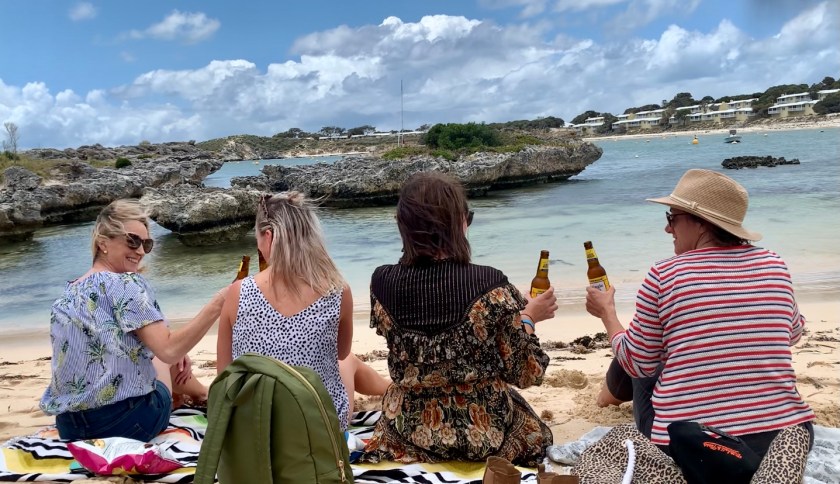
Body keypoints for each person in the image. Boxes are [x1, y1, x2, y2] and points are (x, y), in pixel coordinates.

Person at [586, 169, 815, 460]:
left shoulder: (663, 274)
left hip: (695, 450)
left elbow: (637, 365)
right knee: (658, 342)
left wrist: (607, 314)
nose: (668, 229)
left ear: (702, 225)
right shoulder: (775, 264)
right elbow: (793, 334)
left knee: (641, 350)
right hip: (785, 443)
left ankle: (605, 399)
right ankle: (608, 395)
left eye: (672, 218)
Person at [362, 172, 558, 466]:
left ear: (402, 226)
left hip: (407, 430)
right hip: (484, 433)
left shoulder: (382, 282)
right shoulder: (489, 283)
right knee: (534, 437)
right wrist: (528, 317)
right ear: (459, 223)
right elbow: (527, 373)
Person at [40, 199, 227, 442]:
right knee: (164, 353)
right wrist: (218, 303)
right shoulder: (126, 283)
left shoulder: (67, 295)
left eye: (146, 244)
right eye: (132, 240)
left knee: (158, 348)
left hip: (70, 427)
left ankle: (196, 394)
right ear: (103, 243)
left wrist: (168, 347)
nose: (140, 251)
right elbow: (168, 350)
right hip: (125, 424)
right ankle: (203, 394)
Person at [216, 192, 389, 431]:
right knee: (347, 361)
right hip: (316, 430)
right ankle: (391, 390)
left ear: (268, 236)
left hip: (253, 433)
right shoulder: (337, 291)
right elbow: (341, 351)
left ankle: (390, 389)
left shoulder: (237, 293)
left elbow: (223, 377)